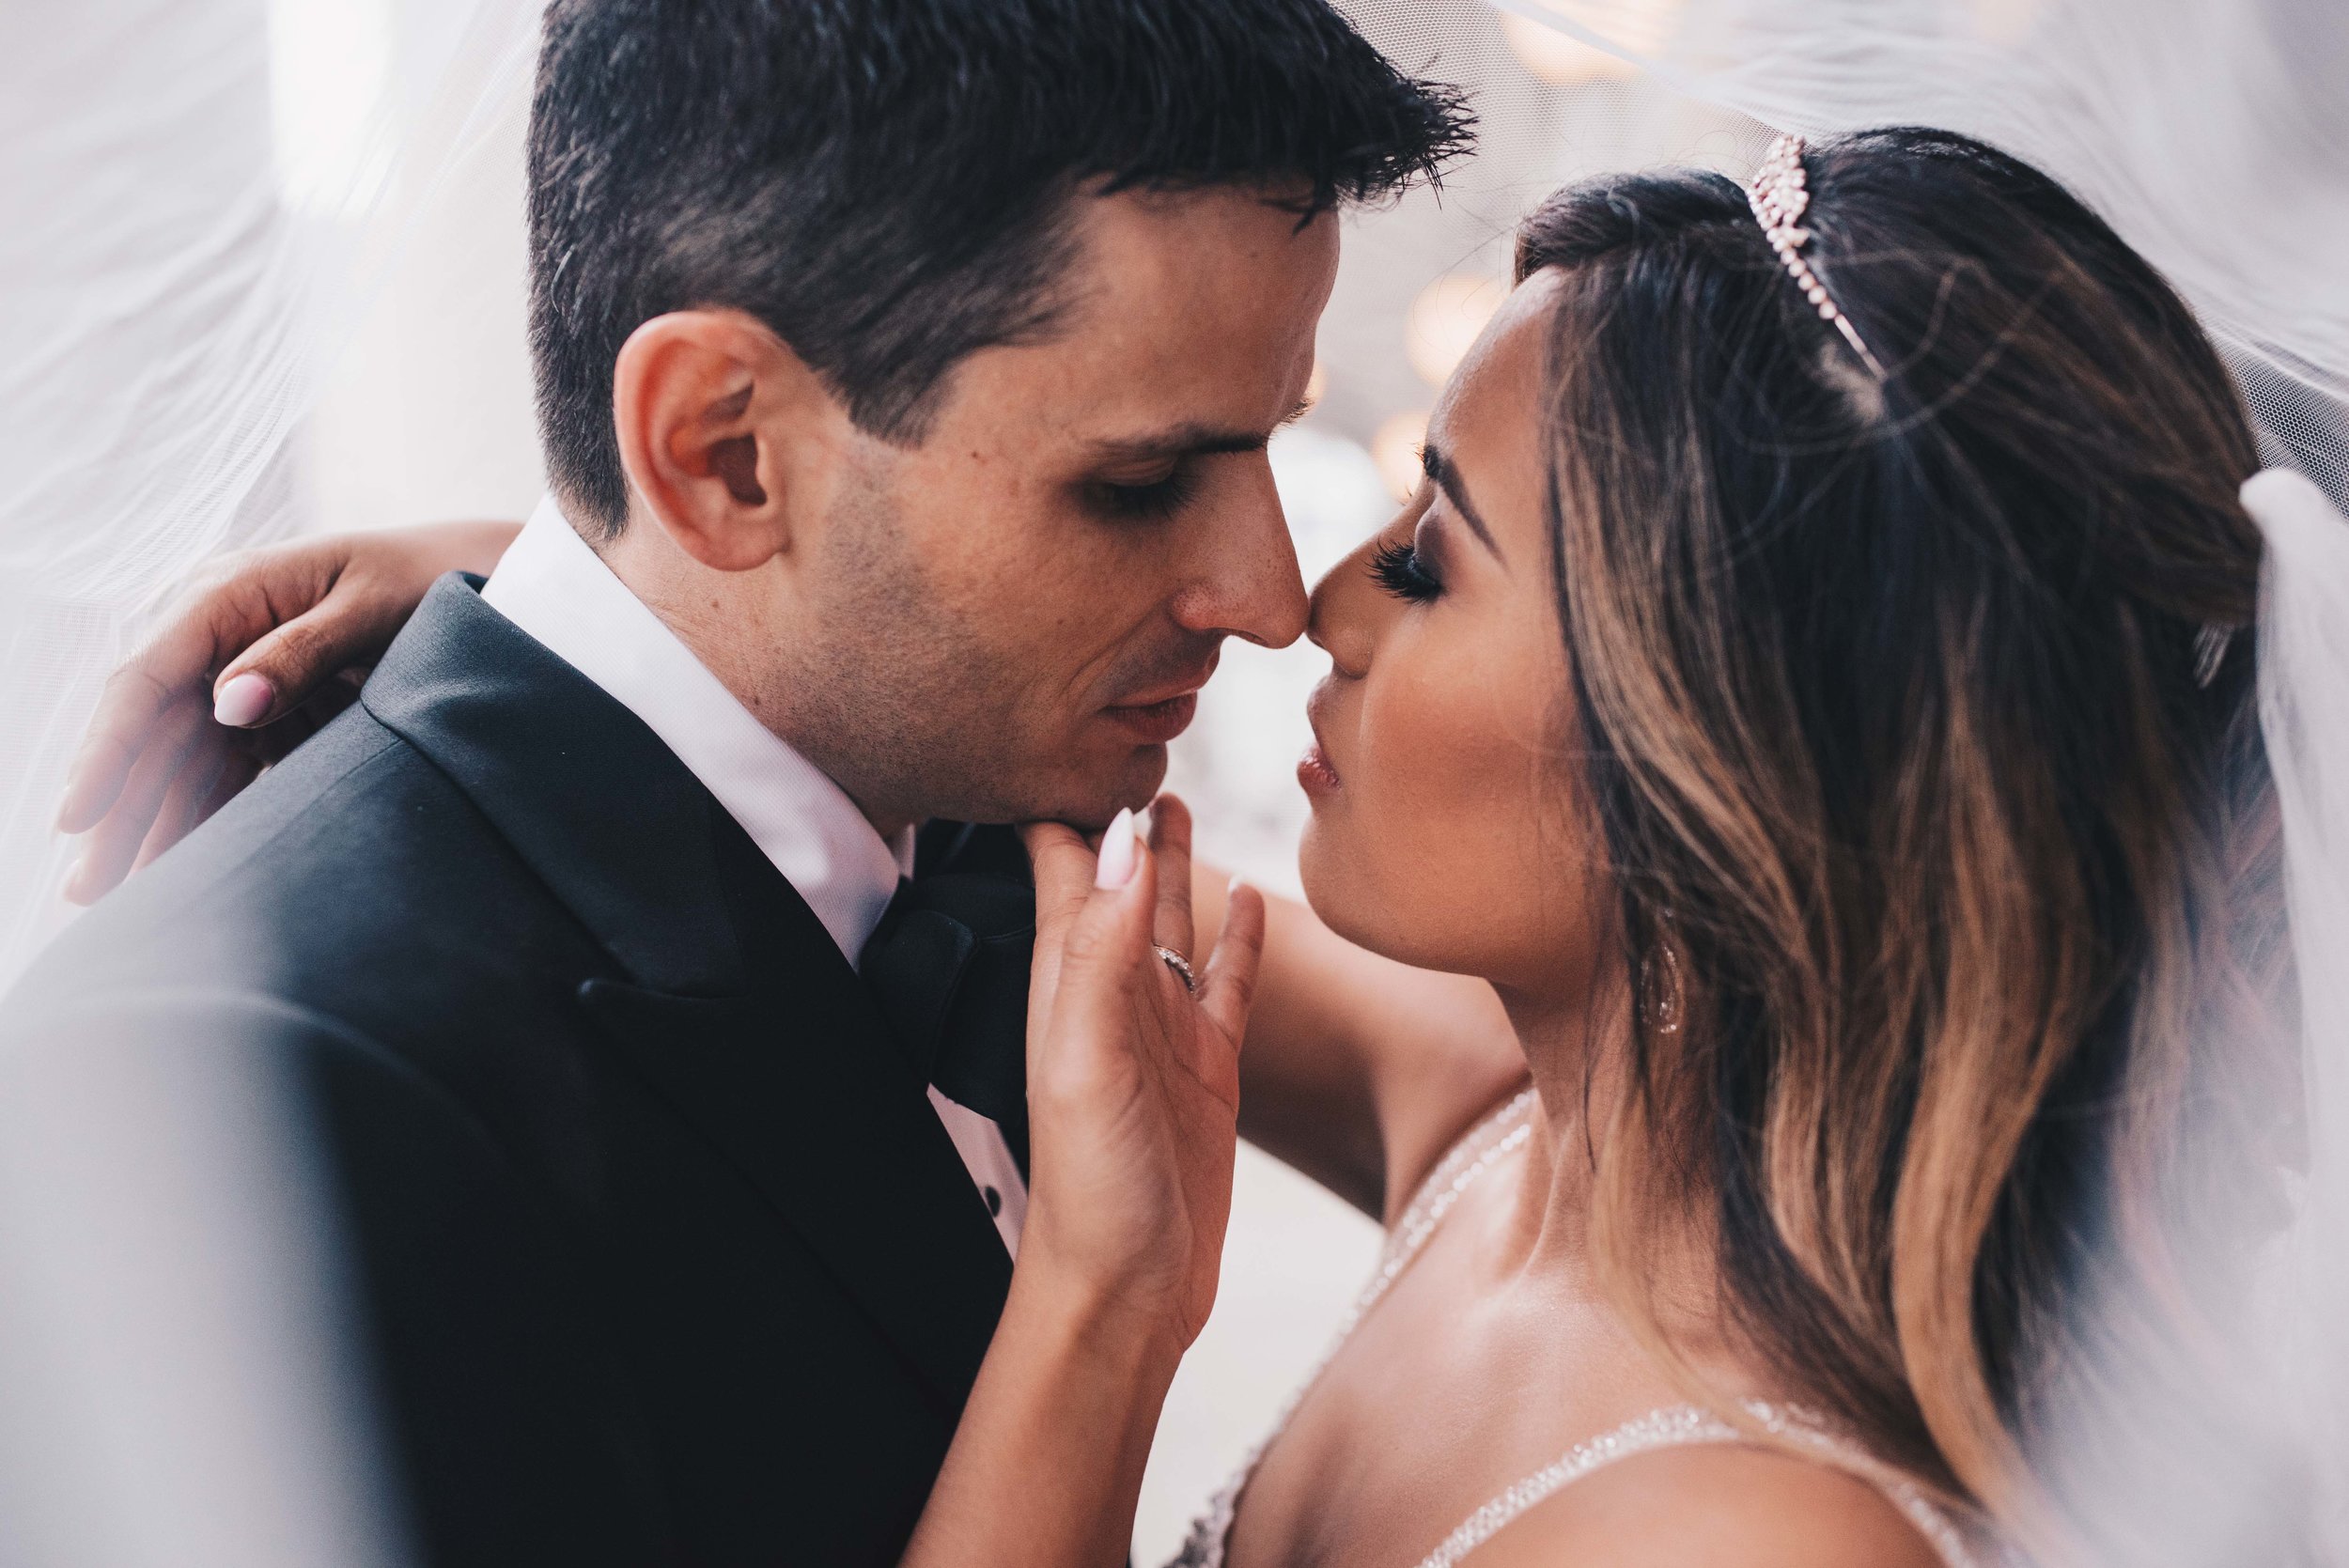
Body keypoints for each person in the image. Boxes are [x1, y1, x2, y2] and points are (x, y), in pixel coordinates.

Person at [41, 129, 2325, 1565]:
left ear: (1712, 769)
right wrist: (672, 583)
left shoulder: (1737, 1536)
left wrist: (1105, 1311)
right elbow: (923, 834)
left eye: (1428, 560)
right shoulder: (1521, 1114)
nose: (1302, 599)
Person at [0, 1, 1473, 1563]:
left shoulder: (991, 810)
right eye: (1136, 485)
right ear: (722, 451)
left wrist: (561, 573)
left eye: (1268, 444)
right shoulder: (240, 1105)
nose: (1268, 595)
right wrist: (1104, 1318)